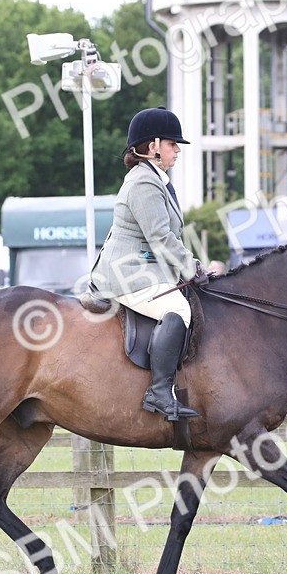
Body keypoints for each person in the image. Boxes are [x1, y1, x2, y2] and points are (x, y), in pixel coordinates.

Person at [89, 106, 207, 421]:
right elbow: (160, 237)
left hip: (146, 269)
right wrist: (192, 268)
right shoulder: (144, 182)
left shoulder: (156, 179)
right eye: (172, 144)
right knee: (179, 310)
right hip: (127, 273)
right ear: (152, 145)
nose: (177, 150)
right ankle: (158, 393)